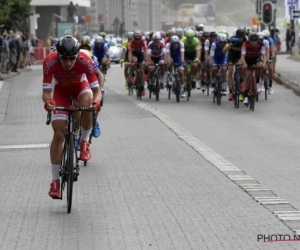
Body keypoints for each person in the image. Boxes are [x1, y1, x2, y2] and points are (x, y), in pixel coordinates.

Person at [42, 35, 102, 198]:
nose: (68, 63)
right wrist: (49, 102)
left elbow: (97, 91)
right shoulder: (49, 62)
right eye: (64, 59)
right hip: (60, 92)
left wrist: (96, 102)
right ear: (58, 56)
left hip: (80, 88)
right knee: (59, 134)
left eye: (71, 59)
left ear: (77, 56)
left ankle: (84, 141)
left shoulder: (85, 60)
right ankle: (55, 181)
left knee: (88, 103)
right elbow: (46, 93)